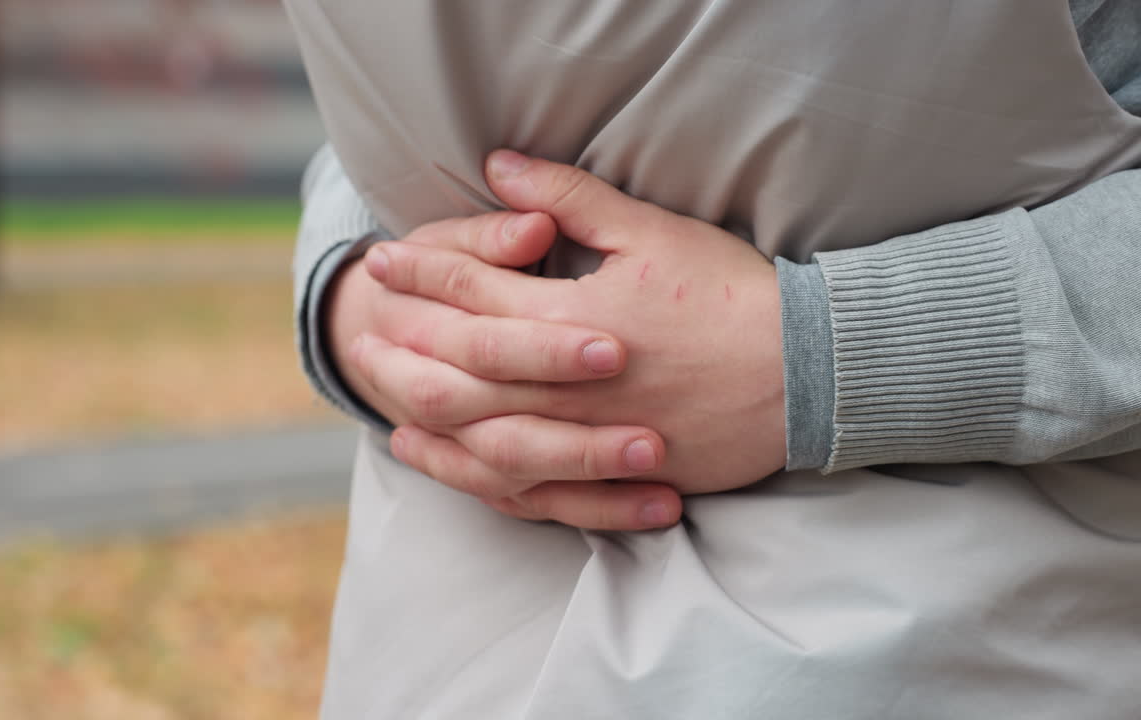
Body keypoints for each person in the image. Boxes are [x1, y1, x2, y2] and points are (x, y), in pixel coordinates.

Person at [285, 1, 1141, 717]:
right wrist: (357, 298)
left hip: (945, 641)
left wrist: (826, 353)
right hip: (434, 636)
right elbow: (387, 100)